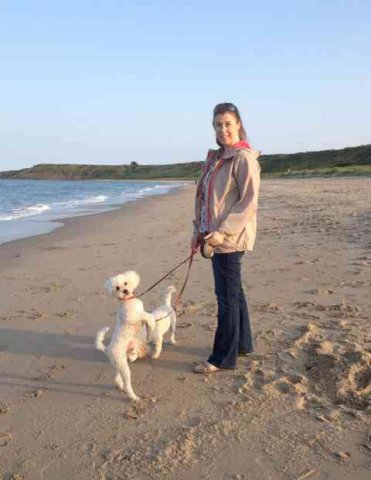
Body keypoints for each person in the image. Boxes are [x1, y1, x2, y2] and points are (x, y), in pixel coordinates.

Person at [191, 102, 261, 373]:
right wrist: (197, 230)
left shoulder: (243, 158)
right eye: (218, 125)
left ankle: (222, 357)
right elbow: (204, 198)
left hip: (228, 238)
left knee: (226, 297)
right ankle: (243, 343)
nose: (224, 130)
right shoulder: (216, 158)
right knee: (234, 292)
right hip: (212, 235)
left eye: (228, 124)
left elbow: (247, 203)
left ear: (239, 124)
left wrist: (221, 233)